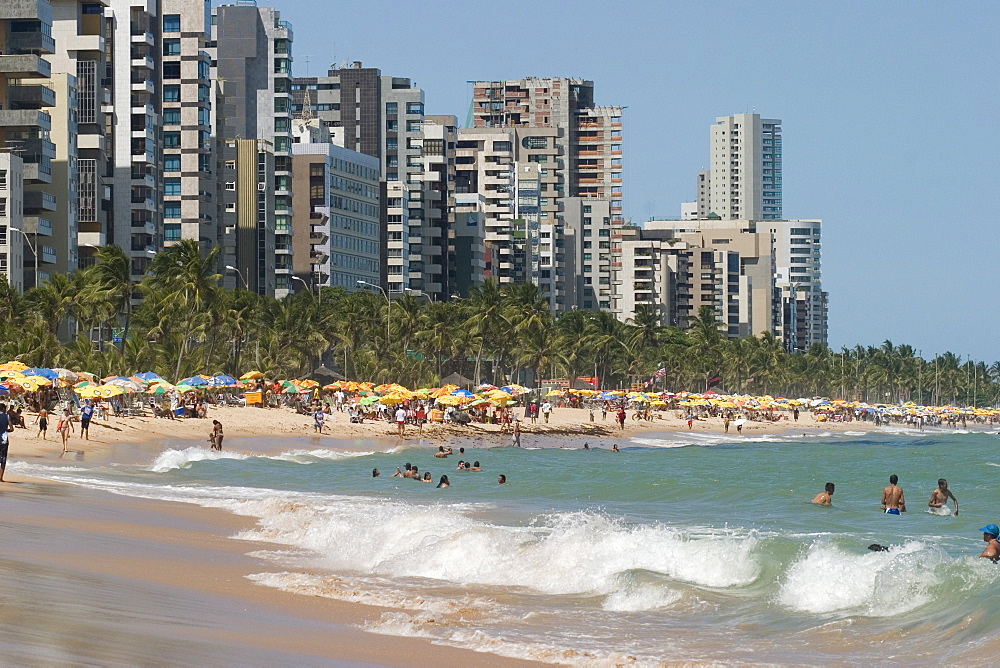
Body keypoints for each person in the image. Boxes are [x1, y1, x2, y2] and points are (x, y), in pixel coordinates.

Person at [0, 403, 12, 482]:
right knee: (3, 459)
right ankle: (0, 478)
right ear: (4, 409)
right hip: (4, 440)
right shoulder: (7, 416)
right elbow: (11, 428)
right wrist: (5, 430)